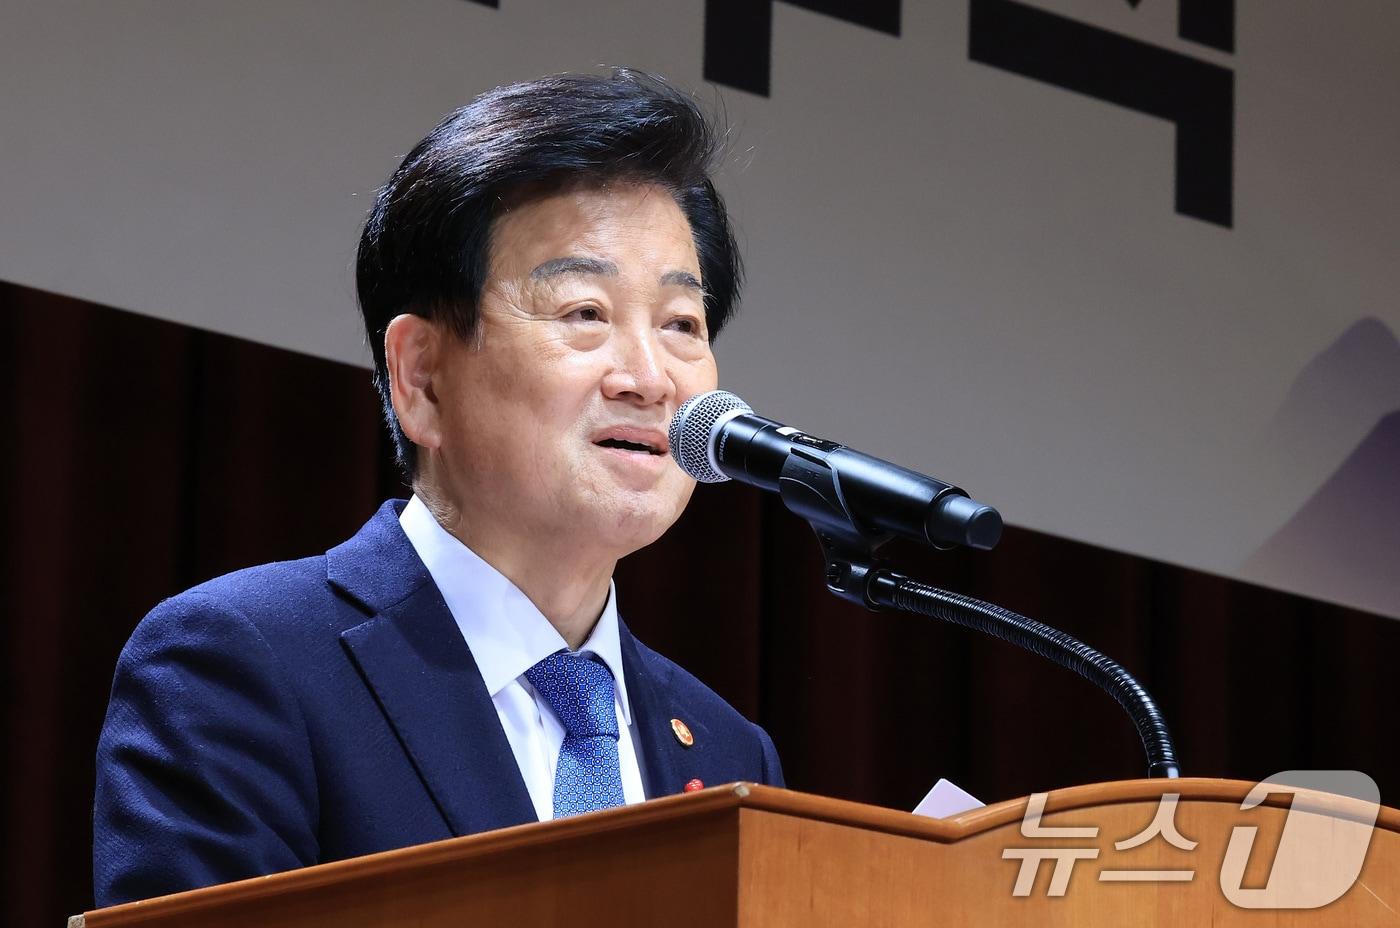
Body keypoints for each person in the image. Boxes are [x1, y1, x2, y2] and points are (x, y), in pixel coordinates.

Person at [92, 70, 783, 908]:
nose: (650, 378)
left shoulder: (729, 749)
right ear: (421, 377)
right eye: (583, 312)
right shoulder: (243, 663)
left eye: (681, 325)